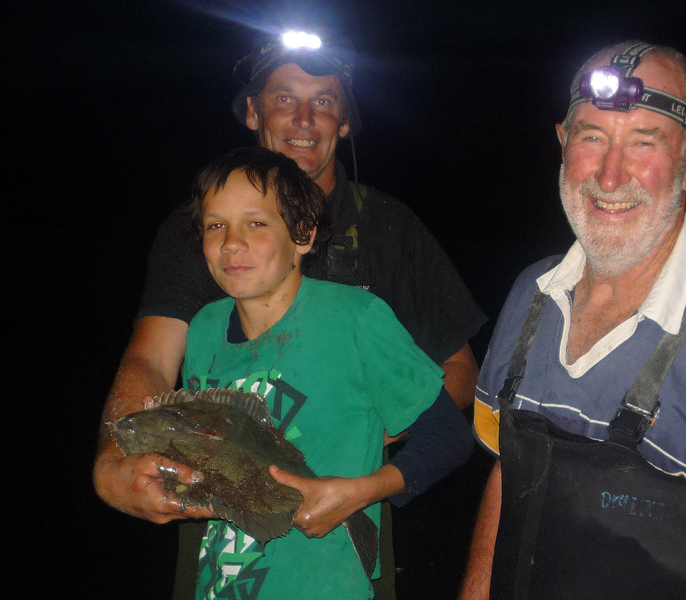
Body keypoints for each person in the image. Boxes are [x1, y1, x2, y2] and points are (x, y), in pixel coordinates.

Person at [93, 28, 485, 599]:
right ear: (253, 112)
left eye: (323, 101)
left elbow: (459, 375)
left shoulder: (391, 229)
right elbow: (151, 361)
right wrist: (111, 463)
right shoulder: (195, 233)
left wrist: (345, 458)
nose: (303, 118)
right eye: (283, 98)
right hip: (221, 539)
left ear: (344, 123)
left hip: (336, 534)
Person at [459, 41, 686, 600]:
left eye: (643, 143)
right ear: (562, 142)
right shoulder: (531, 293)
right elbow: (507, 479)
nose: (608, 176)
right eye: (592, 137)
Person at [162, 145, 470, 599]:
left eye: (257, 223)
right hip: (222, 579)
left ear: (303, 234)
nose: (232, 242)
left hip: (323, 581)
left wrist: (362, 491)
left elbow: (449, 436)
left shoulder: (355, 318)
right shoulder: (204, 328)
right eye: (215, 225)